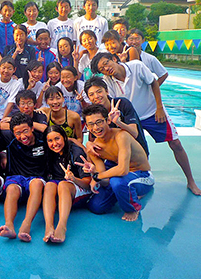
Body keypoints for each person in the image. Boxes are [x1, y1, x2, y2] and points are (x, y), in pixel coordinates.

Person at [92, 52, 201, 195]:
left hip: (151, 112)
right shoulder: (107, 82)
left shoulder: (136, 66)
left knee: (176, 144)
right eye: (102, 69)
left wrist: (160, 108)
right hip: (131, 118)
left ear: (114, 59)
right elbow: (110, 102)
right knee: (137, 150)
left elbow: (154, 83)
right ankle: (141, 181)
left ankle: (190, 181)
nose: (106, 69)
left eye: (106, 63)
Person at [81, 104, 154, 221]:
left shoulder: (121, 136)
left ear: (108, 121)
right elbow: (104, 181)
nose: (96, 127)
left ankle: (132, 208)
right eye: (91, 124)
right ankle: (124, 193)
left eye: (99, 122)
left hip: (142, 174)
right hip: (119, 176)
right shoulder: (94, 148)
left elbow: (123, 170)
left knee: (117, 182)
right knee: (96, 207)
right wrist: (95, 173)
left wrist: (97, 176)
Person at [0, 113, 47, 242]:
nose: (22, 136)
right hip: (16, 177)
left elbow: (58, 134)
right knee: (12, 188)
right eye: (18, 133)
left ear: (32, 128)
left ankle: (26, 224)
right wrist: (2, 155)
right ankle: (9, 225)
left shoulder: (44, 139)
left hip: (36, 178)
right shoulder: (10, 139)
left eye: (26, 131)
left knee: (36, 184)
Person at [42, 125, 91, 243]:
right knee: (49, 185)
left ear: (64, 137)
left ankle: (61, 226)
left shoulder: (76, 152)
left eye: (57, 139)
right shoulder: (49, 153)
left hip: (79, 188)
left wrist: (74, 179)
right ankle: (49, 226)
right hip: (61, 188)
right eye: (50, 140)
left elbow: (87, 184)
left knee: (63, 185)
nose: (54, 143)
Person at [84, 76, 149, 155]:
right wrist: (89, 144)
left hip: (136, 153)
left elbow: (134, 133)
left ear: (107, 91)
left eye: (99, 91)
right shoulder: (93, 113)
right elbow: (94, 138)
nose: (96, 96)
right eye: (91, 94)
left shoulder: (122, 104)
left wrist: (118, 122)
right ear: (89, 98)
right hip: (114, 155)